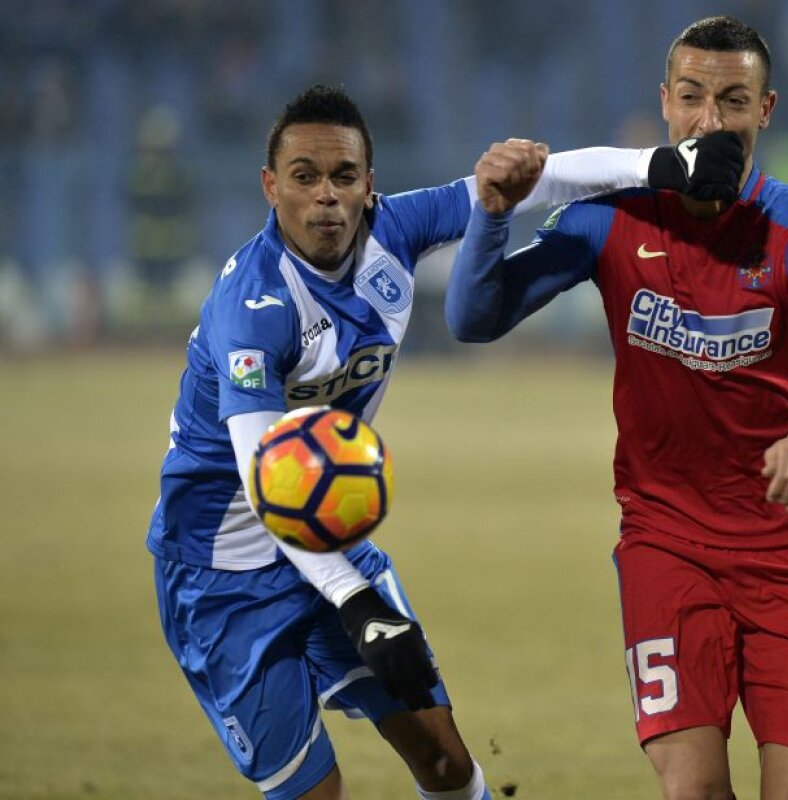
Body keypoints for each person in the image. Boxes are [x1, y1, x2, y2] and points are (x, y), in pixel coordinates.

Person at [145, 83, 743, 800]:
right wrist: (359, 605)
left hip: (330, 535)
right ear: (271, 186)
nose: (325, 196)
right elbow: (267, 476)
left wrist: (663, 165)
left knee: (446, 764)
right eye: (304, 177)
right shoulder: (252, 308)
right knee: (315, 790)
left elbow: (523, 184)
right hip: (222, 575)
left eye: (343, 176)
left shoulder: (392, 232)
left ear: (371, 185)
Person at [446, 17, 788, 800]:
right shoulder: (615, 216)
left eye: (734, 100)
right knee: (695, 791)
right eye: (692, 98)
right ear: (666, 105)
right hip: (668, 543)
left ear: (767, 110)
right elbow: (475, 319)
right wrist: (493, 215)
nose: (710, 120)